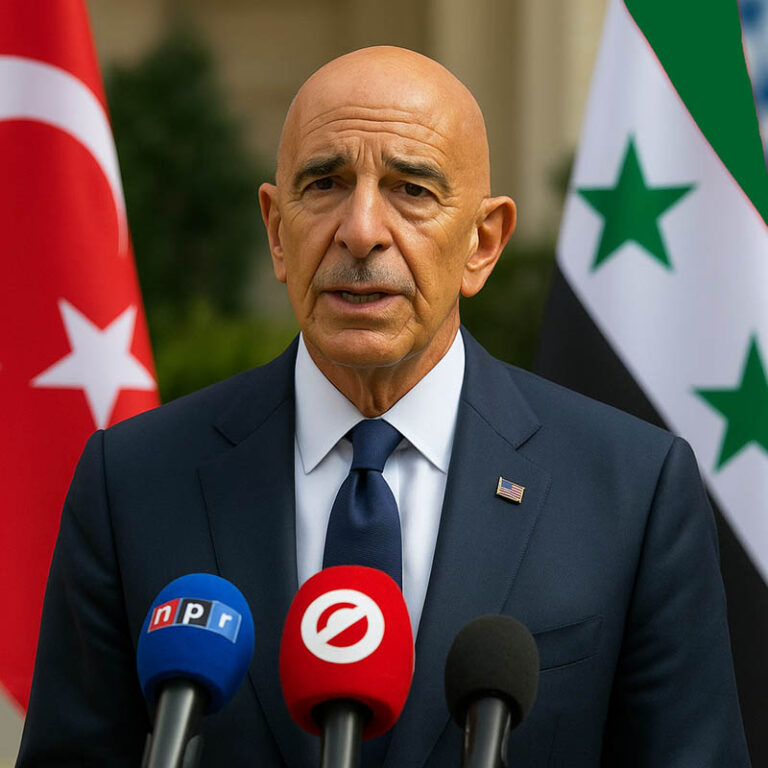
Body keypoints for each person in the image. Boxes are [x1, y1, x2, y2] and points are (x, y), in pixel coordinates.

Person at [17, 46, 749, 767]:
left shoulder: (631, 491)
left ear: (482, 243)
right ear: (276, 231)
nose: (361, 230)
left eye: (412, 190)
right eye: (325, 184)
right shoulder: (134, 481)